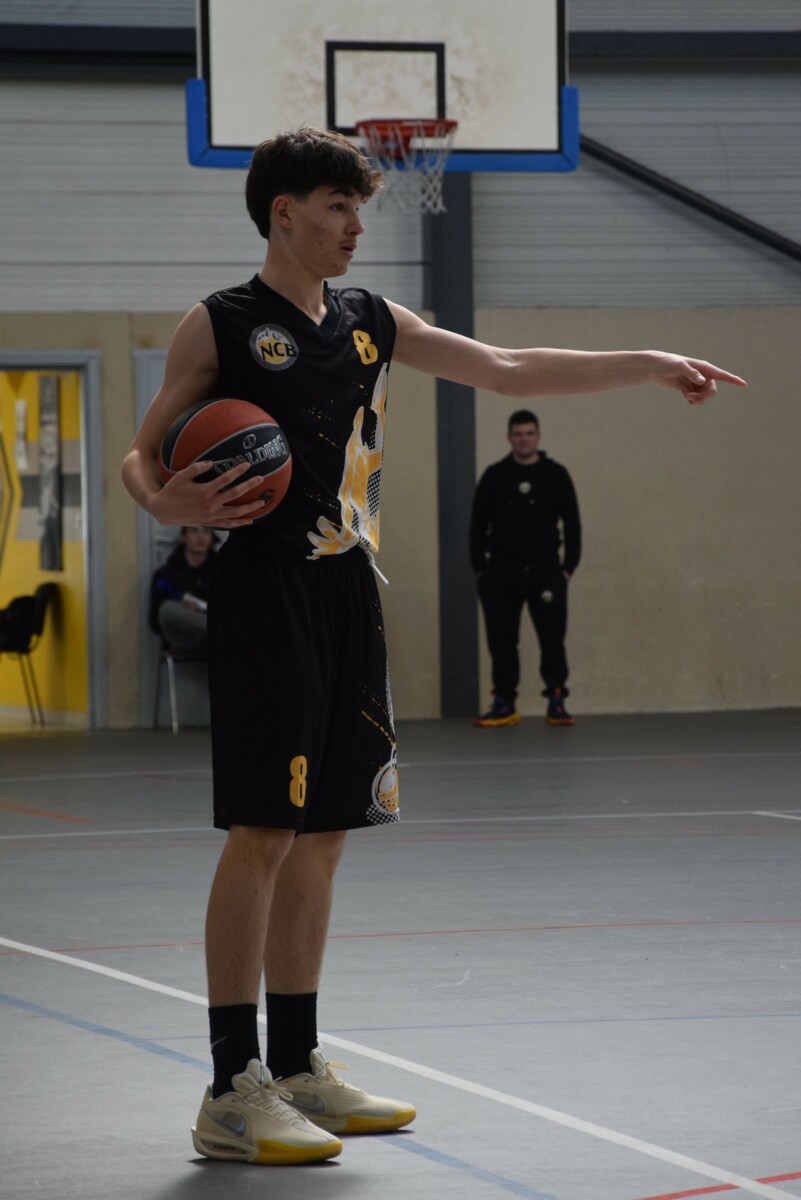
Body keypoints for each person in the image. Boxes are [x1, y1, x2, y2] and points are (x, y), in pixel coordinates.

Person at [121, 126, 746, 1168]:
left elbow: (503, 366)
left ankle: (297, 1064)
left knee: (326, 834)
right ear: (284, 212)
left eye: (359, 208)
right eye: (337, 207)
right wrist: (163, 499)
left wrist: (646, 363)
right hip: (266, 592)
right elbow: (143, 454)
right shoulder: (221, 323)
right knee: (265, 830)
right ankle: (231, 1086)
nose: (356, 227)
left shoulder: (371, 319)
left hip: (347, 586)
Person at [471, 409, 580, 728]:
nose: (523, 440)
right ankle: (504, 702)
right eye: (518, 434)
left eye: (529, 433)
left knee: (552, 637)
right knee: (501, 640)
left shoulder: (556, 475)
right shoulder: (494, 476)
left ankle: (556, 700)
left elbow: (572, 524)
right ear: (509, 437)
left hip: (546, 571)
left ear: (538, 436)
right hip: (501, 573)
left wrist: (567, 567)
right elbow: (477, 526)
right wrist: (481, 570)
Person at [149, 525, 217, 653]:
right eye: (194, 531)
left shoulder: (222, 572)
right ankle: (223, 630)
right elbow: (155, 621)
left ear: (211, 538)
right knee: (168, 607)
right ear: (184, 537)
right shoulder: (166, 574)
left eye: (206, 532)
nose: (200, 537)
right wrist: (184, 610)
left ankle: (221, 630)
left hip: (214, 639)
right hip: (185, 636)